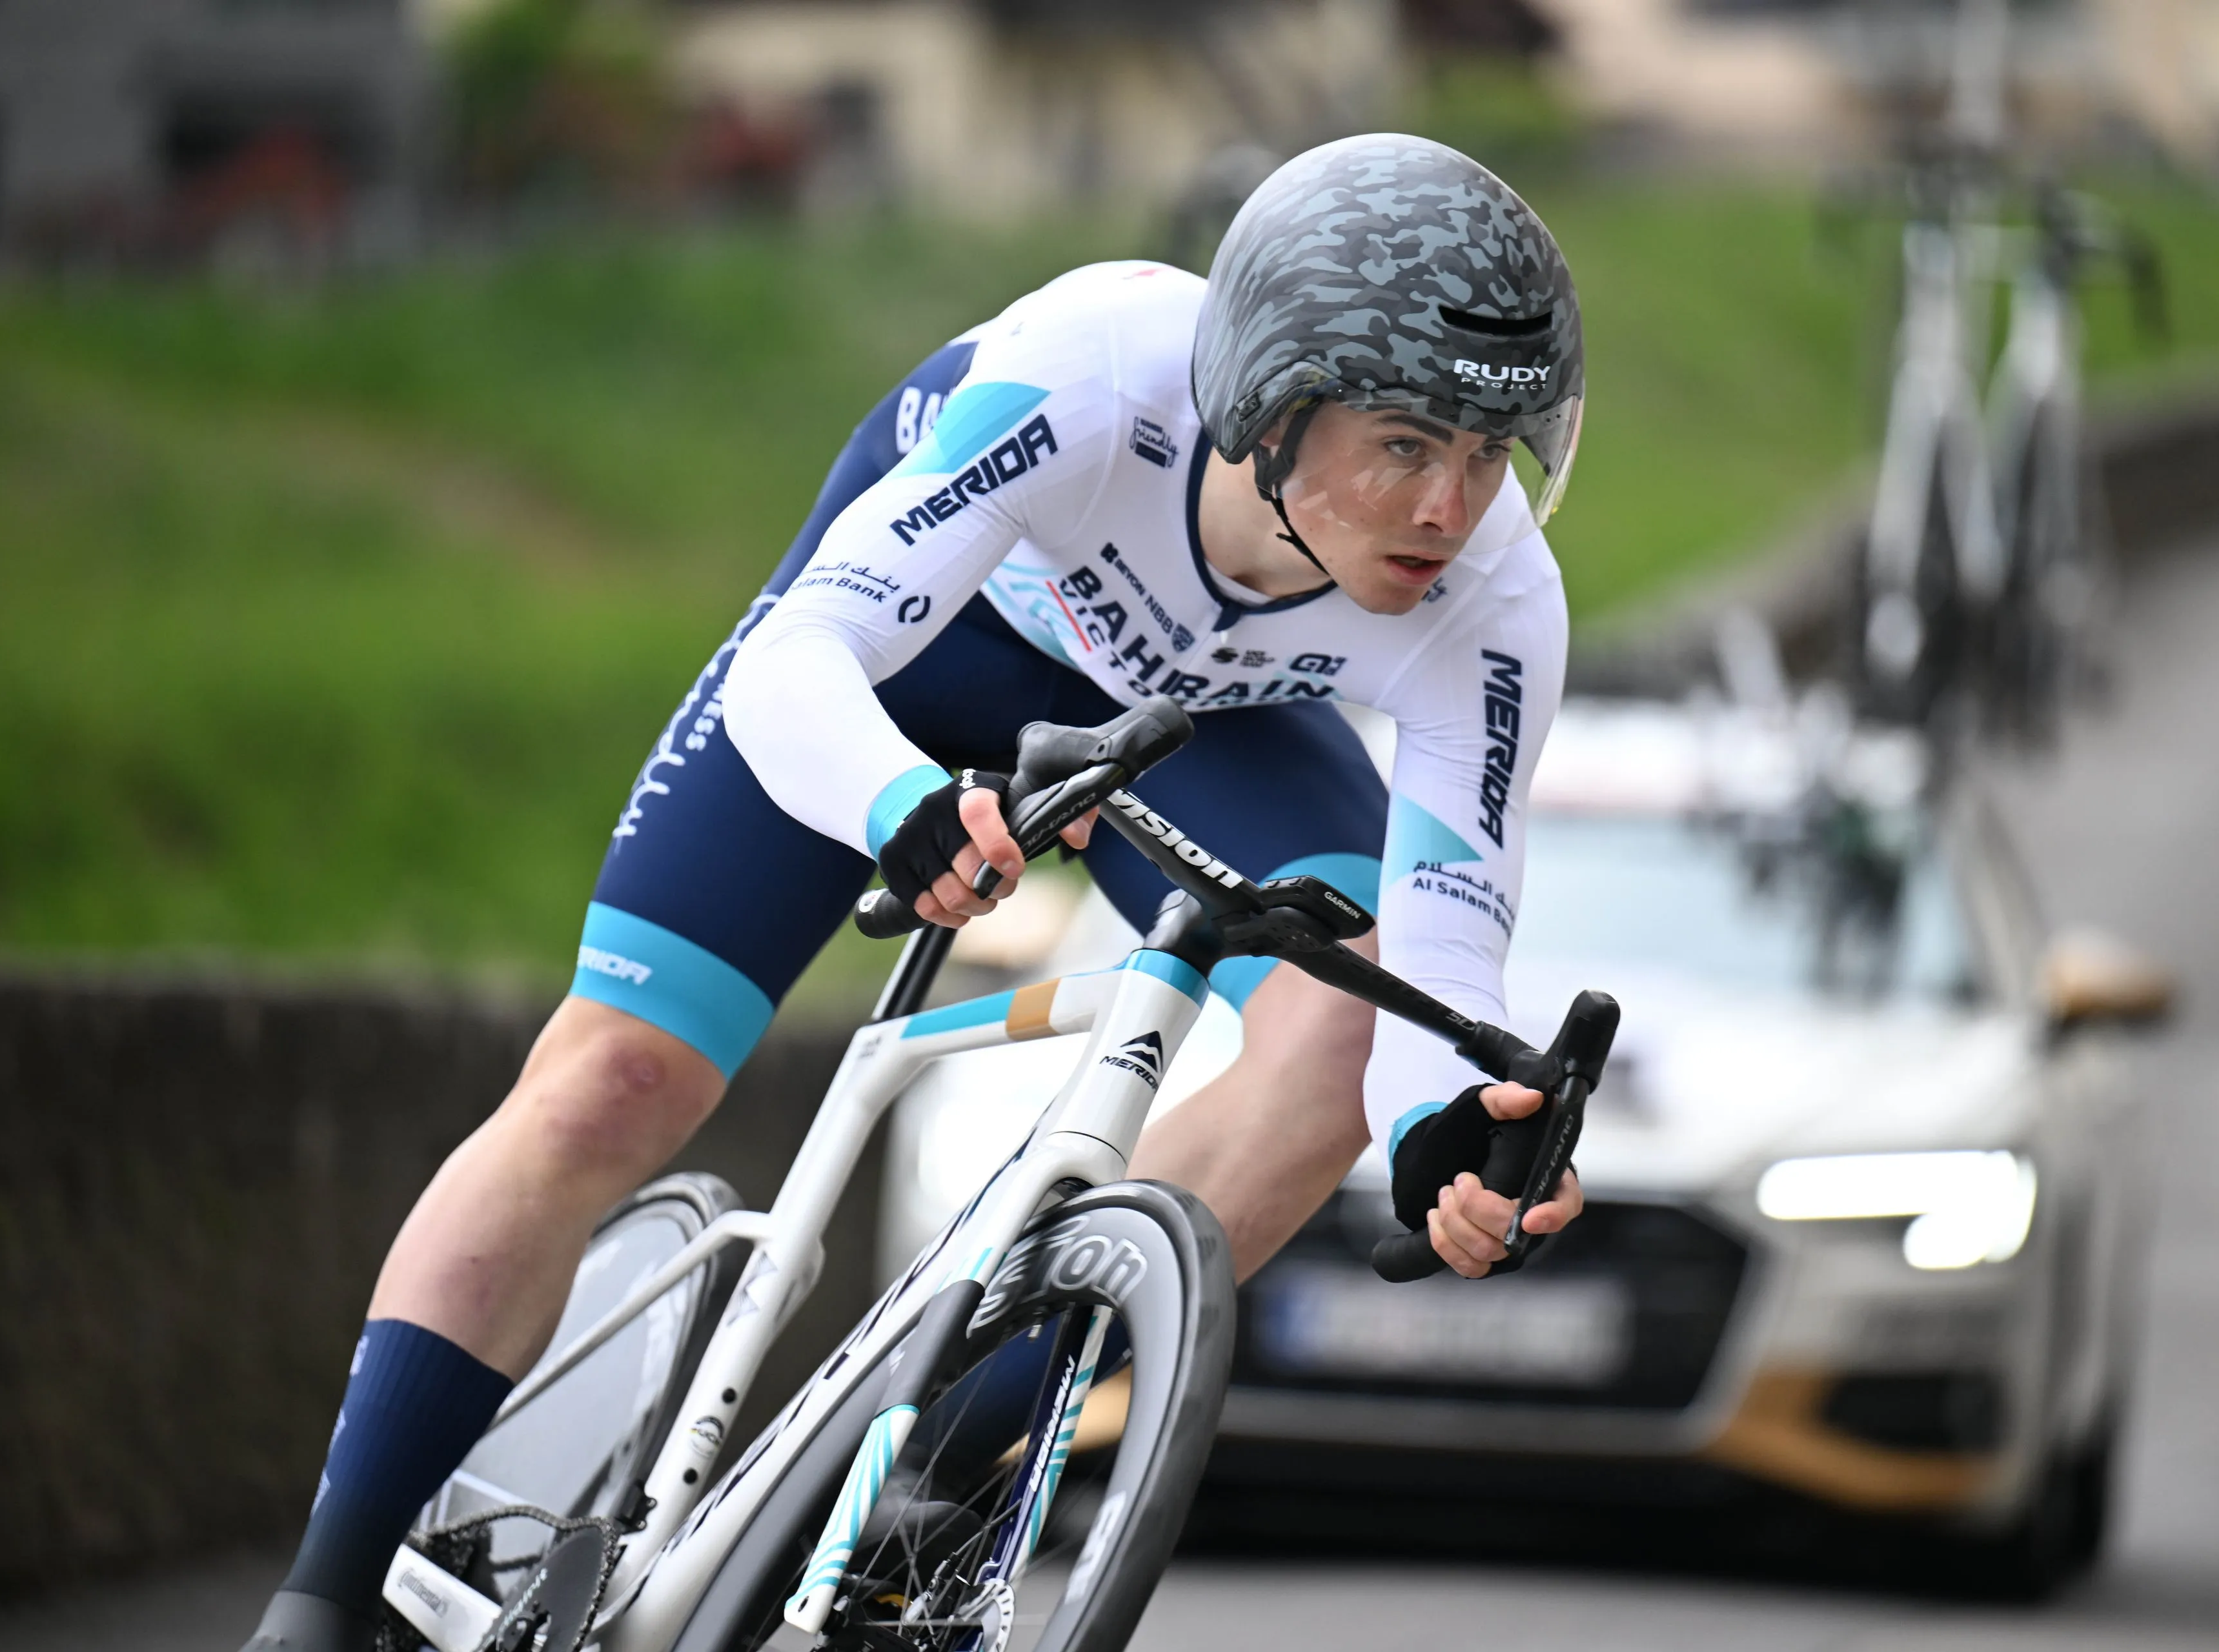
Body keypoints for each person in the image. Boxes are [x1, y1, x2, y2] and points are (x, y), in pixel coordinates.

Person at [242, 132, 1589, 1652]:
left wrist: (1445, 1130)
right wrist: (893, 805)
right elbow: (797, 664)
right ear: (1268, 402)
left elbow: (1446, 933)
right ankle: (321, 1600)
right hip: (918, 641)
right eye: (1409, 444)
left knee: (1339, 1050)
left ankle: (908, 1484)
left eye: (1490, 455)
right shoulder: (1092, 375)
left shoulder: (1495, 602)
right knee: (613, 1076)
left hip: (1210, 722)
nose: (1454, 506)